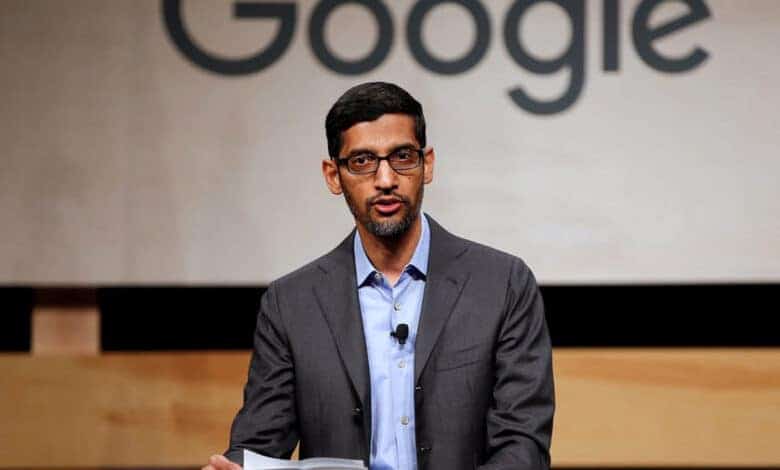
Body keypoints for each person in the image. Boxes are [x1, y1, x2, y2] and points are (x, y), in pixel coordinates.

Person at [203, 82, 554, 470]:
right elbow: (260, 443)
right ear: (333, 175)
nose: (385, 179)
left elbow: (522, 445)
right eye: (362, 161)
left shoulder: (501, 284)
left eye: (402, 157)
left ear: (427, 164)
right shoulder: (291, 304)